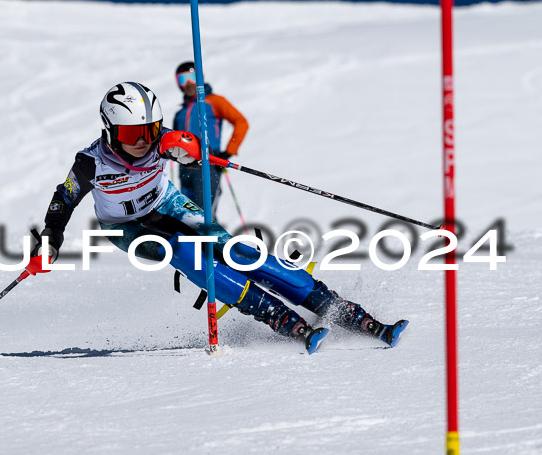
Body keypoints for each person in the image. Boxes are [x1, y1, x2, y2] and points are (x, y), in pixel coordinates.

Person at [31, 81, 408, 354]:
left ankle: (338, 308)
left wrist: (193, 152)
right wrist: (50, 239)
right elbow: (63, 202)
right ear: (111, 131)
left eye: (149, 129)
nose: (143, 140)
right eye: (132, 132)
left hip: (167, 204)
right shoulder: (90, 163)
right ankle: (276, 315)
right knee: (184, 251)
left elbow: (188, 148)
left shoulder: (160, 140)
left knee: (230, 247)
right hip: (125, 228)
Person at [173, 62, 249, 216]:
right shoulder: (180, 112)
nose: (188, 83)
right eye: (182, 79)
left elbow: (241, 122)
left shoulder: (214, 101)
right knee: (186, 216)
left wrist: (228, 152)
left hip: (207, 166)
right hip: (184, 168)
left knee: (204, 216)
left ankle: (213, 241)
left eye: (192, 77)